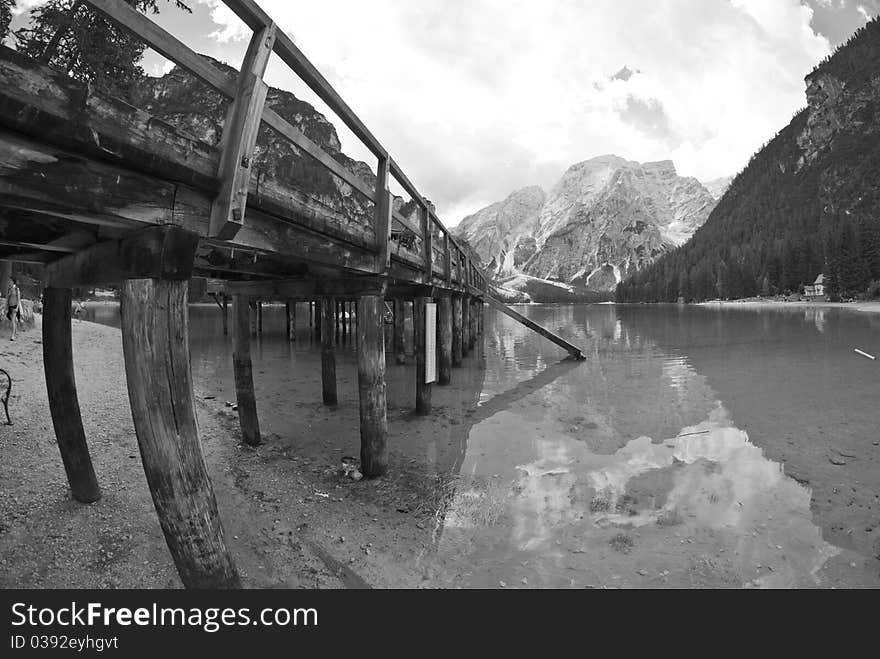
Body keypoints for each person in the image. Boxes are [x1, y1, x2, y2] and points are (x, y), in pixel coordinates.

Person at [6, 277, 20, 341]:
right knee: (12, 320)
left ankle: (13, 336)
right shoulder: (9, 289)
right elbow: (7, 299)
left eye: (10, 281)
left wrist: (17, 307)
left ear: (13, 282)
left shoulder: (17, 289)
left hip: (14, 306)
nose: (9, 282)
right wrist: (6, 306)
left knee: (13, 321)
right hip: (10, 306)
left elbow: (18, 299)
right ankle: (16, 333)